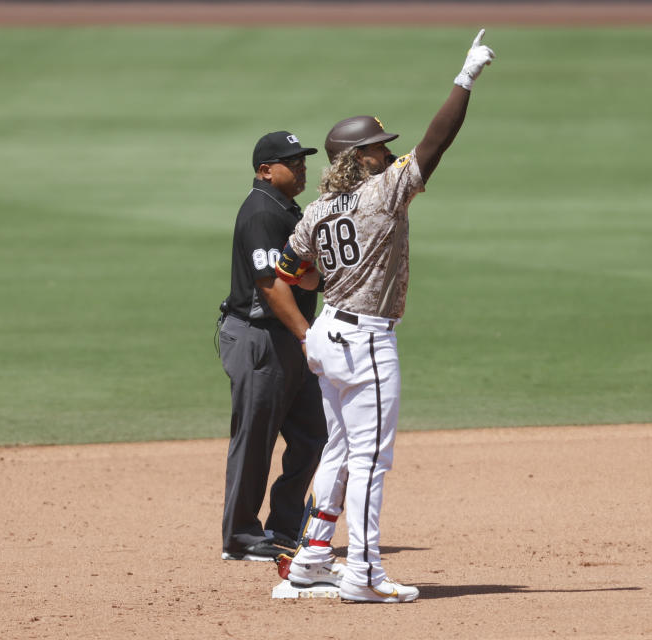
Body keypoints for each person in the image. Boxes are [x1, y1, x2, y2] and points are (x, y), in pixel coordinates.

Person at [275, 30, 496, 602]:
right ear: (357, 158)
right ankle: (364, 575)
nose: (386, 152)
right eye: (376, 147)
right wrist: (465, 77)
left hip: (326, 332)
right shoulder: (383, 193)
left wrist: (329, 275)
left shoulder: (317, 212)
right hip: (367, 343)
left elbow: (294, 274)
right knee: (369, 462)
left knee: (339, 451)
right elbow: (436, 143)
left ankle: (313, 557)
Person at [218, 130, 327, 562]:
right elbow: (270, 287)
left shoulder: (284, 208)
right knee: (255, 439)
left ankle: (283, 524)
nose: (301, 167)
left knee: (311, 433)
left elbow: (303, 275)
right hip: (260, 337)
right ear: (265, 170)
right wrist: (307, 335)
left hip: (284, 336)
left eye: (302, 160)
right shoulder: (262, 212)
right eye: (292, 162)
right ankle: (241, 537)